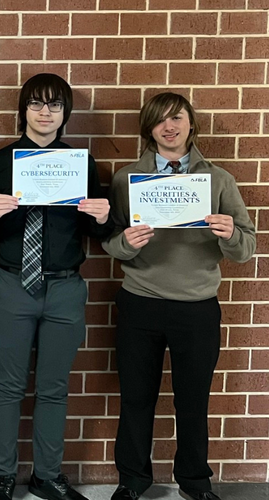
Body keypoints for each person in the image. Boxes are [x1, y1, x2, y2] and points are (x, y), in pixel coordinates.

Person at [103, 93, 255, 500]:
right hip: (141, 302)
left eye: (177, 118)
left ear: (191, 124)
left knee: (193, 401)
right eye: (159, 120)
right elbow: (109, 244)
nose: (169, 126)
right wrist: (127, 244)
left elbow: (247, 247)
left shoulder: (218, 180)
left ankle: (195, 481)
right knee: (136, 399)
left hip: (197, 306)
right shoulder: (126, 178)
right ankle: (132, 481)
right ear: (148, 129)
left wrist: (230, 235)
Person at [0, 73, 111, 500]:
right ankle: (2, 476)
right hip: (13, 283)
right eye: (37, 104)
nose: (45, 112)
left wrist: (103, 216)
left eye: (54, 105)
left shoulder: (80, 164)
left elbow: (93, 231)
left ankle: (47, 475)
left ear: (65, 113)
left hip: (65, 287)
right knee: (9, 385)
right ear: (23, 110)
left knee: (54, 387)